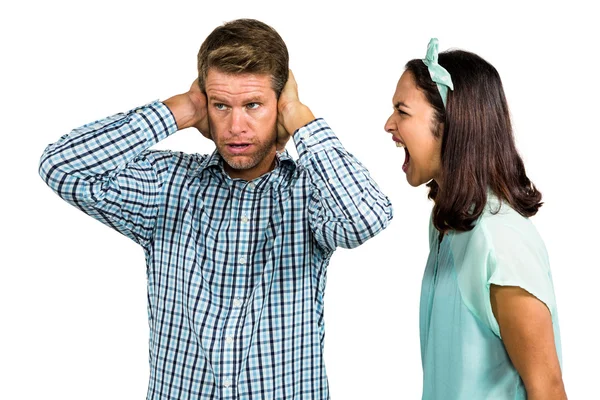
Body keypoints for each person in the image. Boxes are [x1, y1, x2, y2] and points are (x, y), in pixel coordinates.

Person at [39, 19, 392, 399]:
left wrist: (301, 118)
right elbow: (61, 166)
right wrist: (181, 109)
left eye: (253, 105)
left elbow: (366, 217)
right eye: (221, 105)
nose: (235, 126)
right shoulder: (167, 185)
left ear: (279, 104)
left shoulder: (311, 190)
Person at [384, 39, 566, 399]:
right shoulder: (448, 226)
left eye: (402, 112)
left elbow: (547, 388)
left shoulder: (501, 242)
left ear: (452, 124)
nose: (388, 124)